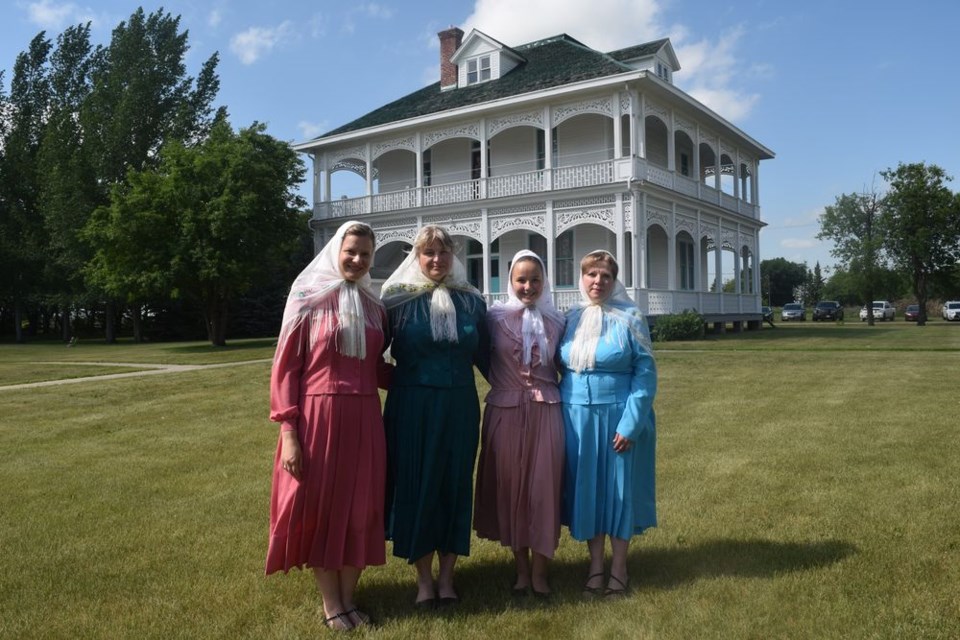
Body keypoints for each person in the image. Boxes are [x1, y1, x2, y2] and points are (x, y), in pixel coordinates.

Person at [265, 220, 389, 631]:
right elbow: (286, 371)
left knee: (361, 509)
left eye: (365, 254)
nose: (357, 259)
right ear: (337, 250)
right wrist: (288, 433)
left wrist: (429, 376)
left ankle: (350, 599)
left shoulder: (375, 308)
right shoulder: (307, 300)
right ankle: (332, 603)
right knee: (322, 508)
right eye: (351, 251)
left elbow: (376, 368)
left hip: (366, 418)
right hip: (318, 417)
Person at [380, 225, 488, 608]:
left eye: (443, 252)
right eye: (429, 253)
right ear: (416, 257)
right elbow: (370, 357)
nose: (437, 260)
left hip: (459, 406)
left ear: (453, 255)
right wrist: (403, 383)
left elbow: (488, 357)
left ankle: (447, 578)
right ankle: (423, 580)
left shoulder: (472, 301)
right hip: (412, 408)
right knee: (418, 485)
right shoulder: (395, 301)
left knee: (454, 485)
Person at [558, 250, 657, 599]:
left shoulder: (631, 318)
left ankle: (619, 567)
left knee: (619, 491)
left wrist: (631, 424)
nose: (597, 281)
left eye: (605, 276)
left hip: (618, 415)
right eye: (591, 275)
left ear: (615, 281)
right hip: (576, 419)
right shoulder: (569, 318)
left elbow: (645, 376)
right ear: (580, 279)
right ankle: (595, 565)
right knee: (588, 491)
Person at [473, 250, 566, 597]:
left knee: (543, 490)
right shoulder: (493, 319)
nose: (528, 286)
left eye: (535, 279)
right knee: (511, 489)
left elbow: (566, 365)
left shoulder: (557, 321)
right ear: (510, 282)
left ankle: (541, 571)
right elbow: (479, 354)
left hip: (546, 412)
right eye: (521, 279)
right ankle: (521, 570)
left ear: (544, 282)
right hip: (506, 411)